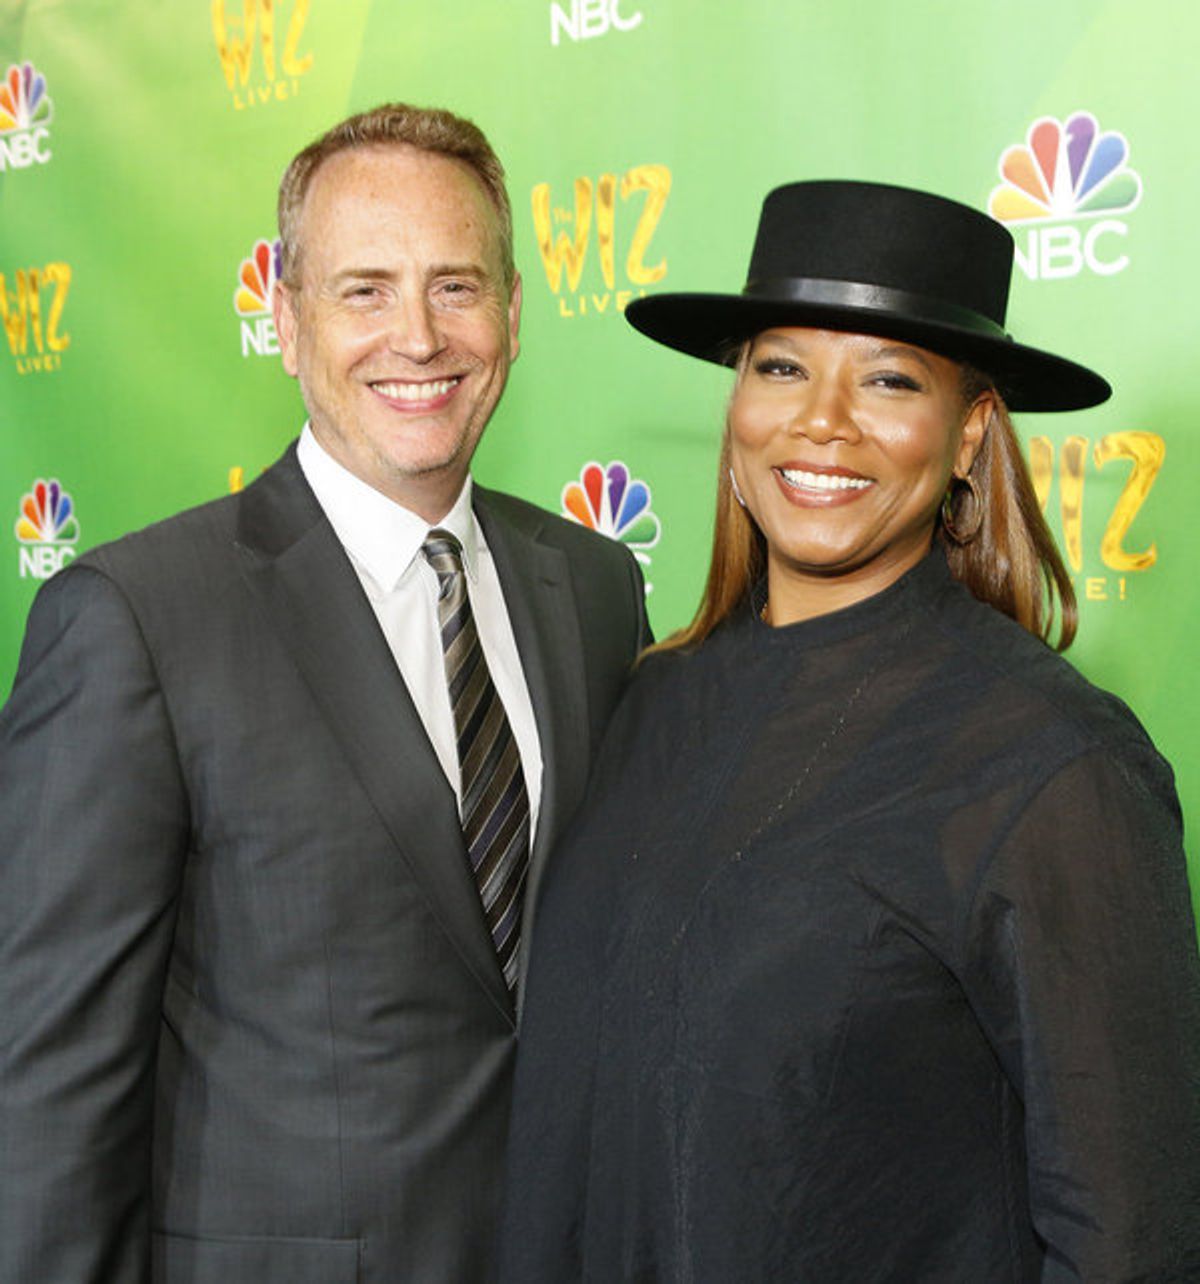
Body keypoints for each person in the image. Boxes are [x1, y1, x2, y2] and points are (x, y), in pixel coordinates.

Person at [497, 181, 1200, 1282]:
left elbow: (1134, 1238)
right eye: (781, 366)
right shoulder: (651, 704)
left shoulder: (1054, 764)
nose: (821, 420)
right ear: (737, 406)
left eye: (887, 380)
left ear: (969, 436)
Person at [0, 103, 649, 1283]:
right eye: (363, 291)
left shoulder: (597, 588)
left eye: (457, 285)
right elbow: (45, 1090)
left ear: (512, 311)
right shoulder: (137, 618)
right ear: (287, 325)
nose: (417, 335)